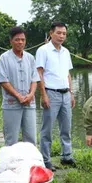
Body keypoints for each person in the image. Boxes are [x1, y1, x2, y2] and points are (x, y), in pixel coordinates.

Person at [36, 22, 75, 171]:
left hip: (65, 93)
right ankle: (45, 160)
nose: (61, 36)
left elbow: (68, 74)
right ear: (51, 33)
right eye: (58, 33)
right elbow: (39, 73)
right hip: (51, 93)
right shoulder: (43, 50)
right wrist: (43, 94)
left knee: (66, 127)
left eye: (64, 33)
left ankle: (67, 156)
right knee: (47, 129)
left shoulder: (66, 52)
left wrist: (71, 93)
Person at [0, 27, 40, 146]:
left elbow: (35, 79)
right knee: (11, 139)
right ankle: (11, 164)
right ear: (11, 41)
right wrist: (18, 96)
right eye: (17, 39)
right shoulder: (4, 58)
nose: (20, 42)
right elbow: (3, 80)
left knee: (31, 139)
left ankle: (31, 163)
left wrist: (31, 95)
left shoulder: (30, 58)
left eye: (23, 39)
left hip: (29, 103)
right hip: (11, 103)